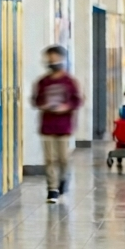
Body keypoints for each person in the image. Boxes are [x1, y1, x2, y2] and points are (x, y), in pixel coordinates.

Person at [32, 44, 82, 203]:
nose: (52, 62)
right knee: (50, 158)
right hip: (47, 125)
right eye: (49, 59)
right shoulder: (43, 82)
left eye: (55, 59)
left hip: (64, 125)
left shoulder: (69, 81)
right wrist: (43, 106)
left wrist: (66, 107)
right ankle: (52, 188)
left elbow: (77, 100)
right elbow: (36, 100)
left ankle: (63, 180)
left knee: (63, 158)